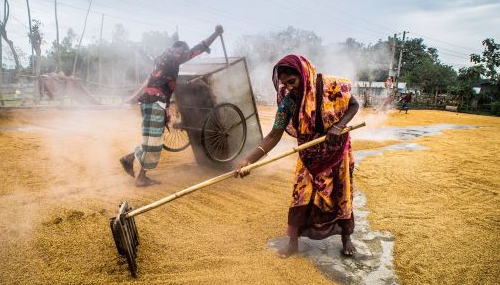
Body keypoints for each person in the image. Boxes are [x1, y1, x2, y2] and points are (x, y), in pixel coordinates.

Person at [236, 54, 359, 257]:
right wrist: (249, 160)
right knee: (300, 195)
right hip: (308, 155)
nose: (289, 87)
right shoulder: (289, 102)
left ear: (303, 74)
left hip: (337, 152)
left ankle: (346, 237)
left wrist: (339, 126)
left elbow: (353, 105)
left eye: (292, 81)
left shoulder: (331, 85)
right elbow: (274, 134)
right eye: (284, 83)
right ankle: (293, 242)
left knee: (341, 194)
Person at [120, 25, 224, 187]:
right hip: (156, 103)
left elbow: (147, 82)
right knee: (155, 141)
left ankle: (129, 158)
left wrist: (132, 99)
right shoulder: (174, 56)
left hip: (147, 102)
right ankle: (141, 178)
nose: (182, 55)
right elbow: (198, 49)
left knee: (150, 137)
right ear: (179, 50)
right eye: (182, 52)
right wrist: (216, 34)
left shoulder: (160, 60)